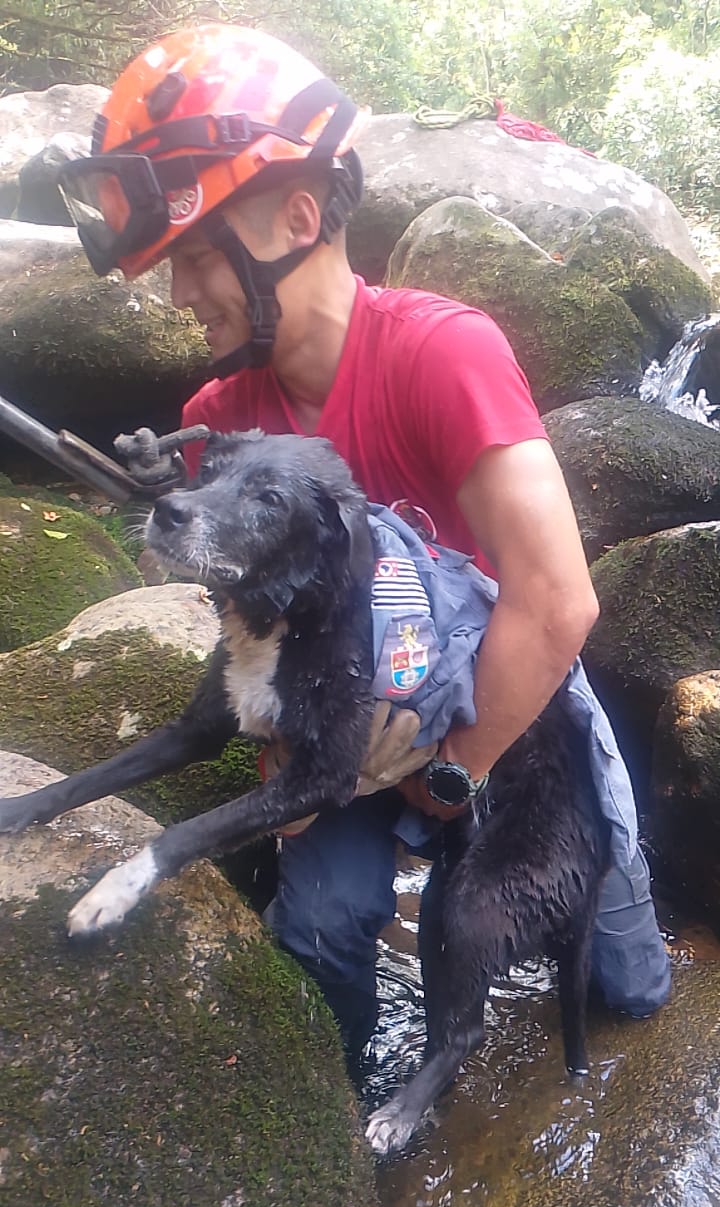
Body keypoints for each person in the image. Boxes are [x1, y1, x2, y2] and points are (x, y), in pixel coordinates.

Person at [58, 24, 671, 1063]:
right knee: (322, 921)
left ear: (299, 214)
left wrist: (448, 774)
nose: (178, 296)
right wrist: (293, 757)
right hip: (351, 713)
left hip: (504, 698)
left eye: (197, 256)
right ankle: (342, 1106)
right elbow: (251, 619)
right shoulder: (222, 412)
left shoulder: (444, 353)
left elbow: (559, 603)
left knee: (629, 982)